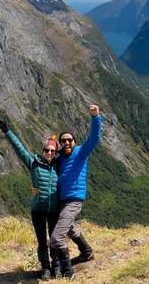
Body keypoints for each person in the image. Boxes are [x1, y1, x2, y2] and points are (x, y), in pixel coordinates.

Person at [0, 120, 60, 280]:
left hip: (54, 210)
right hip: (38, 209)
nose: (49, 153)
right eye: (47, 150)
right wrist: (7, 132)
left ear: (56, 152)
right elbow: (19, 149)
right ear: (43, 150)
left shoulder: (60, 166)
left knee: (54, 240)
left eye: (52, 151)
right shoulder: (34, 164)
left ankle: (57, 266)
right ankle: (46, 268)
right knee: (41, 241)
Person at [51, 104, 102, 279]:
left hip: (73, 201)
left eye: (69, 140)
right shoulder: (59, 158)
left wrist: (95, 117)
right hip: (62, 200)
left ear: (74, 141)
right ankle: (86, 252)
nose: (66, 142)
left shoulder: (81, 152)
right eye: (63, 140)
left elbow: (94, 138)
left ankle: (68, 273)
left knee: (57, 237)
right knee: (70, 228)